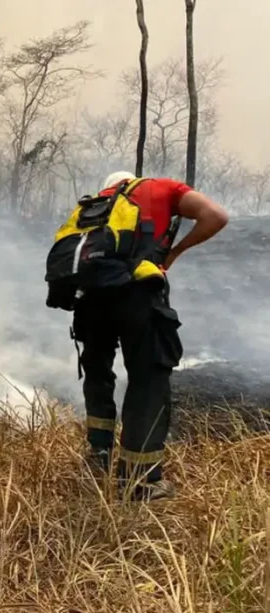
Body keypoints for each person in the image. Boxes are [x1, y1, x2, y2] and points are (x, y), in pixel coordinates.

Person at [71, 171, 228, 501]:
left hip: (91, 299)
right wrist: (174, 252)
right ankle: (141, 481)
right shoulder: (160, 188)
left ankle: (99, 455)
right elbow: (216, 217)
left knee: (98, 373)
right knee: (147, 379)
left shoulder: (96, 203)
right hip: (137, 294)